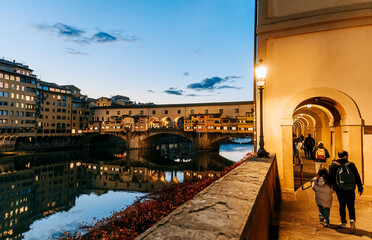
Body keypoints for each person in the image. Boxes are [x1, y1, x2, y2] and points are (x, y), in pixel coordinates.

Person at [329, 151, 363, 233]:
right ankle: (352, 219)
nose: (348, 156)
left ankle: (343, 222)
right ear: (344, 156)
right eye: (347, 155)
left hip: (339, 189)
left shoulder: (333, 165)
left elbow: (331, 178)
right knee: (351, 205)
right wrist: (360, 187)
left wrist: (332, 187)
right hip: (350, 189)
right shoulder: (351, 165)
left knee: (342, 204)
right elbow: (357, 176)